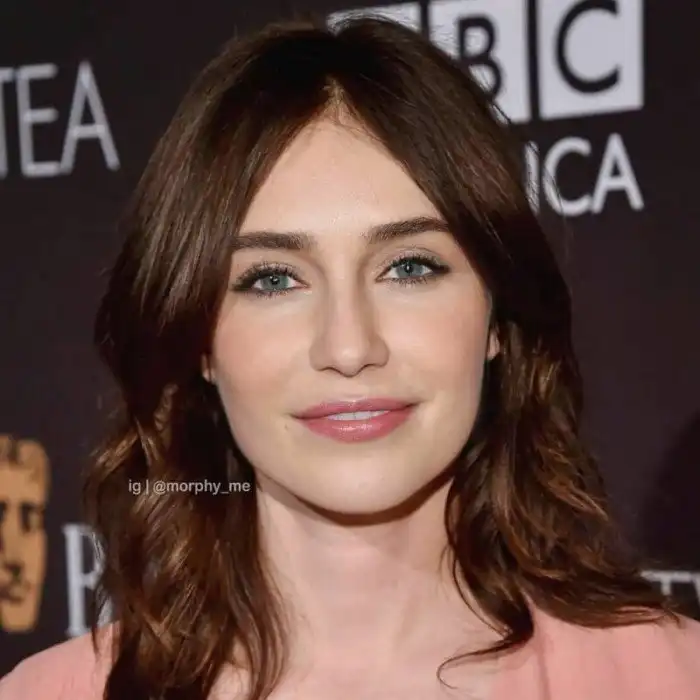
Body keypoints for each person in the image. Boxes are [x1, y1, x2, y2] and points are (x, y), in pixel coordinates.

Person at [1, 13, 699, 700]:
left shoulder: (671, 676)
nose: (349, 347)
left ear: (496, 315)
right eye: (273, 279)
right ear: (200, 342)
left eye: (410, 267)